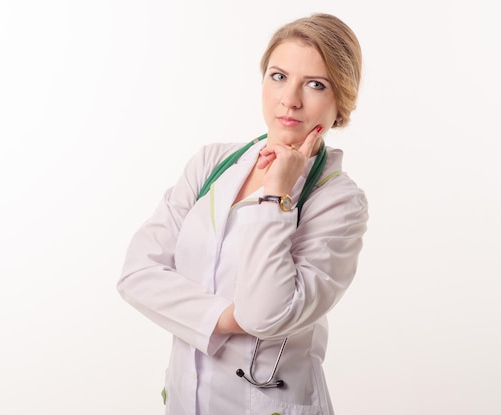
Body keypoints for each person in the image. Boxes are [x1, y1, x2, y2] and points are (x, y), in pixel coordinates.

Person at [118, 12, 368, 415]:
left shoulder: (339, 201)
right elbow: (136, 274)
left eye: (315, 84)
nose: (290, 99)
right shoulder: (212, 163)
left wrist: (277, 196)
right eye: (278, 76)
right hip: (186, 400)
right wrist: (227, 319)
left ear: (341, 102)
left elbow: (265, 314)